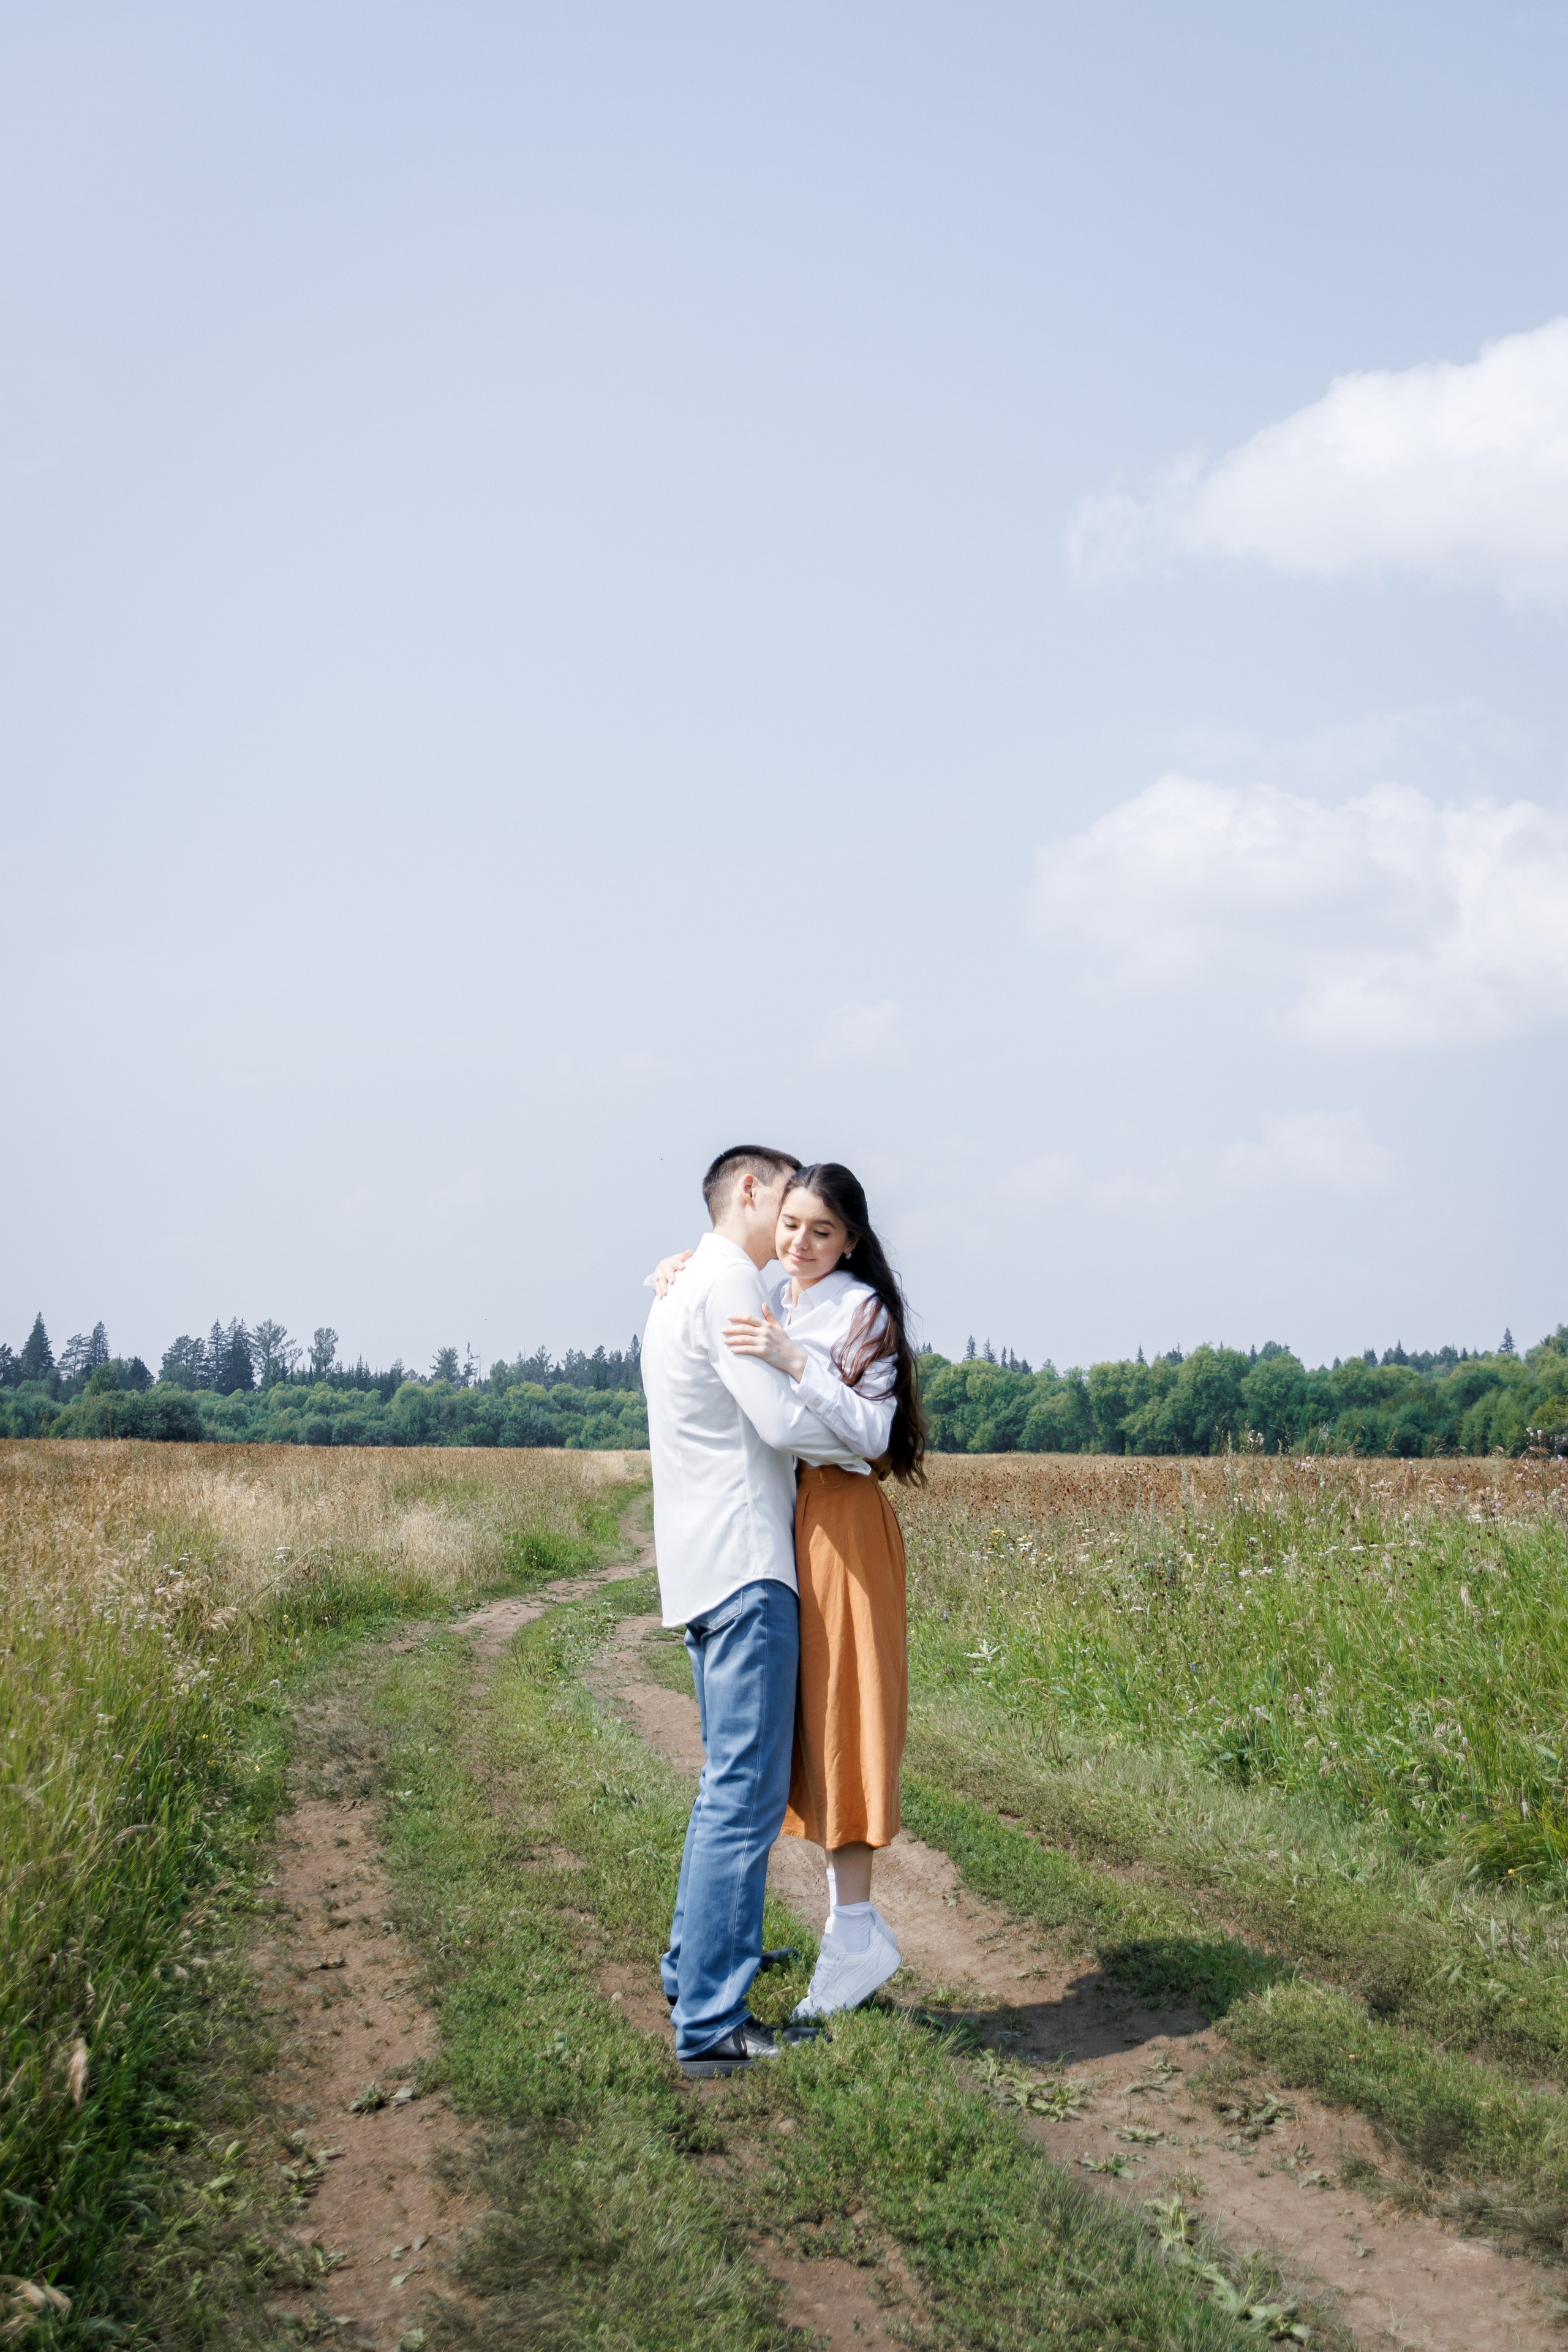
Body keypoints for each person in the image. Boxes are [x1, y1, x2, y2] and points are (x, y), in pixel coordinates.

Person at [654, 1161, 925, 2021]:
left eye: (822, 1230)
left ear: (852, 1240)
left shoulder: (859, 1308)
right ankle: (823, 1935)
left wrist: (792, 1363)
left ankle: (855, 1934)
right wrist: (677, 1269)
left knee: (847, 1722)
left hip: (843, 1516)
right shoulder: (781, 1292)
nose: (800, 1242)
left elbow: (872, 1433)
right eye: (792, 1224)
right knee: (805, 1736)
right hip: (797, 1520)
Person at [641, 1144, 848, 2078]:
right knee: (745, 1798)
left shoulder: (677, 1284)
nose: (800, 1216)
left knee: (725, 1785)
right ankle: (714, 2024)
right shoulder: (725, 1283)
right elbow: (776, 1421)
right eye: (789, 1194)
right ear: (752, 1191)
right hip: (746, 1566)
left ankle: (696, 1967)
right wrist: (859, 1437)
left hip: (701, 1563)